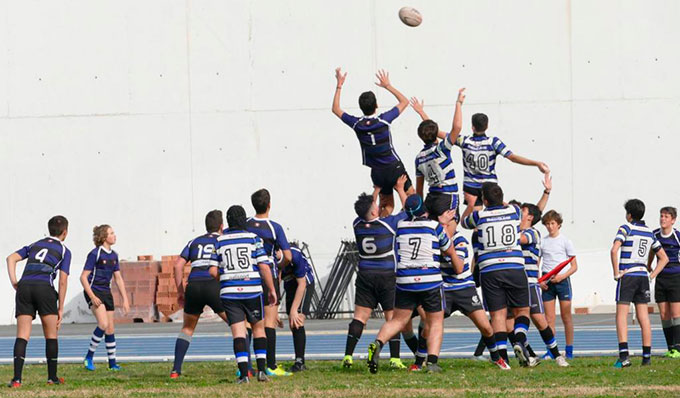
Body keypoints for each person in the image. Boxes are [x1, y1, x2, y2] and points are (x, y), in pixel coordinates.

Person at [367, 194, 461, 374]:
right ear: (423, 210)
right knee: (435, 322)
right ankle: (432, 362)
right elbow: (448, 248)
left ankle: (378, 343)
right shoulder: (433, 227)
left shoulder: (400, 227)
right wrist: (442, 224)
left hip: (405, 279)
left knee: (398, 320)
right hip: (429, 279)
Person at [461, 183, 532, 368]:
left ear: (484, 200)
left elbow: (464, 222)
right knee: (522, 311)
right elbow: (510, 206)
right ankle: (519, 339)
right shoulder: (514, 211)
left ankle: (503, 359)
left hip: (490, 269)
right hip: (514, 266)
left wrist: (473, 203)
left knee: (497, 315)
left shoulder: (479, 216)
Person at [344, 175, 411, 370]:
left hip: (365, 275)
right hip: (387, 276)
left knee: (359, 317)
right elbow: (408, 210)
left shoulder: (357, 225)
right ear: (374, 210)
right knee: (393, 318)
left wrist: (375, 190)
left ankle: (348, 356)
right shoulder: (387, 224)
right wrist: (399, 189)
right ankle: (395, 358)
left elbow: (364, 210)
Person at [332, 67, 415, 217]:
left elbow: (336, 109)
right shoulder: (383, 120)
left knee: (387, 205)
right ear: (376, 105)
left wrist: (339, 85)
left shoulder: (357, 124)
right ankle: (410, 227)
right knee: (412, 197)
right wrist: (387, 85)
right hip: (393, 166)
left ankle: (383, 231)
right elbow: (404, 101)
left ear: (361, 108)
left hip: (377, 171)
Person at [6, 216, 71, 387]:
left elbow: (10, 258)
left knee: (22, 335)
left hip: (25, 287)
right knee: (51, 335)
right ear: (65, 232)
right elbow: (62, 281)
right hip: (44, 289)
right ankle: (52, 378)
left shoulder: (35, 244)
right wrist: (61, 308)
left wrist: (15, 282)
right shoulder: (64, 250)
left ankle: (17, 379)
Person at [217, 205, 277, 383]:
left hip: (230, 291)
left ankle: (244, 374)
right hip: (252, 290)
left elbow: (213, 270)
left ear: (228, 221)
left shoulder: (220, 241)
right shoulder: (253, 238)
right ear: (244, 220)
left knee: (238, 332)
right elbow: (264, 265)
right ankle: (261, 371)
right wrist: (272, 289)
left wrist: (225, 275)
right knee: (259, 328)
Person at [455, 111, 549, 219]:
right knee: (497, 212)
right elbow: (512, 157)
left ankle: (473, 209)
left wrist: (431, 126)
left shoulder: (464, 141)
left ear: (472, 127)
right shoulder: (493, 142)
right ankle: (514, 212)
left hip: (471, 187)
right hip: (490, 186)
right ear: (487, 126)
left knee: (475, 222)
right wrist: (536, 163)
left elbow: (440, 134)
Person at [170, 210, 230, 378]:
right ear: (221, 226)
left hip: (194, 285)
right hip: (212, 284)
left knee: (187, 328)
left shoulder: (194, 241)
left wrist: (181, 291)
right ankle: (245, 367)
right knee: (237, 325)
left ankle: (176, 370)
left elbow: (177, 266)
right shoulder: (222, 240)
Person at [610, 199, 668, 367]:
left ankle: (624, 356)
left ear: (629, 214)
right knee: (644, 316)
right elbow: (664, 258)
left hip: (628, 275)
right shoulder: (650, 232)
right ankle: (646, 358)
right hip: (643, 276)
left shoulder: (626, 227)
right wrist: (652, 275)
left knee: (621, 315)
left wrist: (616, 273)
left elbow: (614, 249)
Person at [245, 188, 292, 377]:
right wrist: (280, 264)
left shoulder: (246, 224)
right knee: (269, 323)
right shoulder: (274, 227)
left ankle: (246, 364)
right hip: (268, 276)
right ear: (269, 204)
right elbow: (287, 256)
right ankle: (270, 365)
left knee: (249, 323)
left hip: (249, 276)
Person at [410, 89, 466, 223]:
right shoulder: (441, 149)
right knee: (447, 239)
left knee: (434, 238)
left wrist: (421, 112)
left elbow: (419, 190)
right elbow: (456, 127)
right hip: (447, 197)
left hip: (431, 199)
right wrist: (458, 103)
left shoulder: (418, 158)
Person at [81, 224, 130, 372]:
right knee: (102, 323)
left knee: (110, 328)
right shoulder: (95, 254)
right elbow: (83, 277)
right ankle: (88, 357)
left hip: (106, 292)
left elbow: (118, 278)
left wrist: (125, 299)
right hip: (94, 290)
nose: (115, 235)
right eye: (111, 233)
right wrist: (92, 296)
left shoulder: (114, 255)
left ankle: (112, 363)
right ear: (104, 237)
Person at [539, 210, 578, 359]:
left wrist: (562, 276)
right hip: (547, 281)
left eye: (553, 223)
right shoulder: (542, 241)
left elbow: (574, 266)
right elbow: (537, 263)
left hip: (562, 281)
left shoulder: (565, 241)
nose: (550, 226)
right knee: (549, 319)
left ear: (559, 224)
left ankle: (569, 350)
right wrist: (540, 281)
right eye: (547, 224)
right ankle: (551, 351)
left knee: (566, 316)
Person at [280, 242, 315, 372]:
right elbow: (275, 280)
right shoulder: (271, 258)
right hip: (290, 284)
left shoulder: (295, 255)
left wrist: (295, 310)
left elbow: (302, 284)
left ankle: (300, 361)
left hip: (303, 283)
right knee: (291, 322)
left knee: (297, 320)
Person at [652, 206, 680, 358]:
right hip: (661, 277)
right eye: (661, 216)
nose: (663, 219)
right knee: (664, 314)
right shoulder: (655, 235)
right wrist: (649, 266)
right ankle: (670, 347)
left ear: (673, 220)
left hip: (676, 276)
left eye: (666, 216)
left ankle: (678, 348)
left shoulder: (677, 236)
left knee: (676, 313)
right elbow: (652, 252)